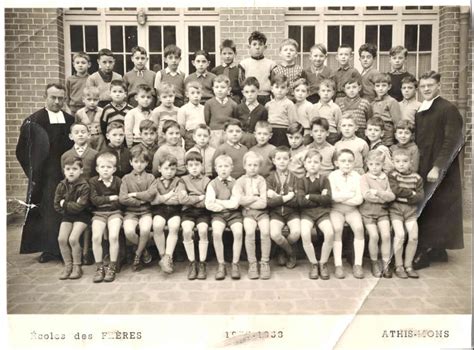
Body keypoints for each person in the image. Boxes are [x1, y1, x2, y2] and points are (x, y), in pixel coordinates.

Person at [16, 83, 75, 262]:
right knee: (48, 211)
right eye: (53, 97)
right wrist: (34, 174)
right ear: (45, 97)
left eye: (61, 98)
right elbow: (21, 152)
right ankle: (49, 250)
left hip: (67, 172)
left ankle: (69, 248)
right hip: (46, 174)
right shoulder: (33, 120)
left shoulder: (70, 120)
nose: (57, 102)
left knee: (67, 209)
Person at [414, 70, 464, 269]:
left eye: (430, 85)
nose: (426, 89)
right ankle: (437, 250)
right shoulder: (422, 109)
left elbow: (452, 141)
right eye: (423, 86)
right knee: (429, 207)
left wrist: (437, 167)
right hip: (424, 164)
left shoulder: (447, 109)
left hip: (440, 168)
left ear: (438, 86)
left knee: (436, 208)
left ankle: (426, 252)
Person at [297, 149, 334, 280]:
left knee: (329, 233)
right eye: (309, 162)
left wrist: (310, 196)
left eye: (316, 162)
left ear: (320, 164)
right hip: (306, 214)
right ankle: (313, 263)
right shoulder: (301, 181)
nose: (312, 164)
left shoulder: (324, 180)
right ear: (305, 164)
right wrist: (319, 198)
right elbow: (301, 201)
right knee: (305, 233)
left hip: (322, 213)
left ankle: (323, 263)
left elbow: (328, 199)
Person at [233, 152, 270, 280]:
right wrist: (255, 198)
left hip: (262, 213)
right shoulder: (240, 181)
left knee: (265, 232)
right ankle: (252, 263)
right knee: (249, 232)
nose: (252, 167)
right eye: (250, 165)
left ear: (259, 167)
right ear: (244, 166)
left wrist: (248, 202)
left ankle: (264, 262)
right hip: (248, 214)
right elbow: (239, 200)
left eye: (255, 165)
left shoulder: (261, 180)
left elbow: (264, 203)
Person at [205, 155, 243, 280]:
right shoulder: (212, 184)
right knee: (216, 233)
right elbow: (209, 204)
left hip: (234, 214)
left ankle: (235, 263)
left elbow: (235, 204)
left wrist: (218, 201)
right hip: (218, 214)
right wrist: (222, 206)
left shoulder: (236, 183)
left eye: (226, 166)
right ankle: (221, 264)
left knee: (238, 232)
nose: (223, 169)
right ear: (216, 168)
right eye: (220, 166)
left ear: (231, 168)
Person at [328, 149, 364, 279]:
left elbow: (359, 199)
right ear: (336, 163)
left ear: (354, 163)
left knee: (359, 228)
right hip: (336, 210)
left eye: (350, 161)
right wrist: (349, 194)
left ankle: (358, 264)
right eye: (343, 161)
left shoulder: (357, 177)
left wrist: (342, 196)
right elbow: (332, 197)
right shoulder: (333, 176)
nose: (347, 164)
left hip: (352, 210)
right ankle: (338, 265)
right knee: (337, 229)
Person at [119, 145, 156, 271]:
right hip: (131, 212)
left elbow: (151, 195)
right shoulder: (126, 178)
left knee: (145, 230)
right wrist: (140, 202)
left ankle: (137, 255)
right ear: (130, 162)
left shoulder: (150, 178)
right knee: (129, 232)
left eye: (142, 162)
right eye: (136, 162)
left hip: (146, 212)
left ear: (147, 163)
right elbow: (123, 198)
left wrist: (134, 195)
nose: (139, 165)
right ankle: (144, 249)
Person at [388, 149, 424, 278]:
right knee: (400, 234)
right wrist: (410, 193)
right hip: (396, 210)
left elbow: (420, 196)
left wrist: (411, 197)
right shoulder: (392, 175)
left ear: (411, 162)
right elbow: (395, 190)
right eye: (397, 161)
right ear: (393, 162)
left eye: (404, 161)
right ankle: (399, 265)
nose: (401, 164)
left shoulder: (416, 177)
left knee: (413, 236)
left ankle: (408, 265)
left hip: (411, 211)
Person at [54, 156, 91, 280]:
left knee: (73, 239)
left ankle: (77, 266)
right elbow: (56, 205)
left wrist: (64, 204)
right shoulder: (61, 185)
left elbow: (80, 207)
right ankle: (68, 265)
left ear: (81, 170)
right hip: (68, 216)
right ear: (64, 170)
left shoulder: (84, 186)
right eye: (68, 169)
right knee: (61, 239)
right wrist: (69, 206)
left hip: (82, 216)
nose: (71, 172)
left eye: (74, 169)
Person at [360, 150, 395, 278]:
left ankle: (385, 262)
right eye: (371, 164)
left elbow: (391, 196)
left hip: (382, 212)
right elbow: (367, 196)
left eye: (378, 164)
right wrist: (383, 196)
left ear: (382, 164)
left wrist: (377, 192)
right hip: (368, 212)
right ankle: (374, 262)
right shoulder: (364, 178)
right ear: (367, 164)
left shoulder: (385, 177)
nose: (374, 167)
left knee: (386, 235)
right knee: (374, 236)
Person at [89, 152, 123, 283]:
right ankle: (99, 267)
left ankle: (112, 267)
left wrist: (106, 201)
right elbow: (94, 200)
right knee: (96, 237)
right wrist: (109, 198)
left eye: (109, 167)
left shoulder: (118, 181)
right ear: (97, 169)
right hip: (99, 213)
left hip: (115, 212)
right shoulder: (93, 182)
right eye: (102, 167)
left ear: (114, 169)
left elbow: (120, 201)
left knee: (113, 236)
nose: (105, 170)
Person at [177, 152, 211, 280]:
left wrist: (191, 199)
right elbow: (182, 199)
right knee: (186, 231)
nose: (194, 168)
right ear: (186, 166)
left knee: (203, 231)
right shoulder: (183, 180)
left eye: (197, 164)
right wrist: (199, 197)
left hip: (203, 213)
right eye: (190, 165)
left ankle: (202, 263)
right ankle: (192, 262)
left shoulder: (207, 180)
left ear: (202, 166)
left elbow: (207, 201)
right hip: (187, 212)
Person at [267, 146, 300, 269]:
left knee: (296, 232)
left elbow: (297, 201)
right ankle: (291, 253)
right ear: (274, 160)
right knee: (275, 234)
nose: (282, 161)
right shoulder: (269, 178)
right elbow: (269, 203)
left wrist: (277, 198)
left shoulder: (295, 179)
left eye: (285, 158)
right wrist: (286, 198)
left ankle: (282, 250)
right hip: (276, 213)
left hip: (292, 212)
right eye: (279, 158)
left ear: (290, 160)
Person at [150, 154, 182, 274]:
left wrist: (162, 198)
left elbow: (178, 199)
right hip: (160, 210)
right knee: (157, 226)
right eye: (166, 168)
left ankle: (168, 257)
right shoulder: (155, 181)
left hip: (175, 210)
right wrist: (169, 196)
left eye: (172, 169)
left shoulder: (179, 181)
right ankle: (162, 255)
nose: (169, 172)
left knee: (174, 227)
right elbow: (154, 201)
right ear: (159, 169)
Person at [238, 31, 276, 105]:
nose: (257, 47)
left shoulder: (271, 64)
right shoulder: (244, 64)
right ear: (249, 47)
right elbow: (241, 83)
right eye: (254, 44)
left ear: (265, 47)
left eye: (260, 44)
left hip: (265, 97)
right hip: (249, 97)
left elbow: (274, 83)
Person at [204, 74, 238, 149]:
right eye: (216, 87)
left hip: (228, 134)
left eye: (223, 87)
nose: (219, 90)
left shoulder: (233, 104)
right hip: (214, 134)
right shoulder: (209, 103)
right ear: (213, 89)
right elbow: (207, 120)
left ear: (228, 90)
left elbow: (235, 119)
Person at [235, 77, 268, 149]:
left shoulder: (262, 110)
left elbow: (263, 126)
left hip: (255, 141)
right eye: (246, 92)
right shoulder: (238, 108)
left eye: (252, 91)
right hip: (241, 140)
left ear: (258, 91)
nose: (249, 94)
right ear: (243, 93)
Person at [266, 74, 298, 147]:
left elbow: (293, 122)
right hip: (270, 132)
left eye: (283, 87)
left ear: (287, 90)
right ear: (272, 89)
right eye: (277, 87)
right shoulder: (268, 105)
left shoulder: (289, 104)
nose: (279, 90)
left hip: (283, 132)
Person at [371, 73, 402, 147]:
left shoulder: (392, 102)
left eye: (384, 85)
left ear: (389, 87)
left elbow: (397, 123)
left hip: (387, 138)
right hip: (375, 136)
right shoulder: (373, 103)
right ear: (374, 87)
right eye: (377, 86)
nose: (380, 88)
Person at [311, 79, 342, 145]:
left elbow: (339, 124)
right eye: (323, 91)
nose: (326, 93)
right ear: (319, 92)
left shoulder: (335, 108)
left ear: (333, 93)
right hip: (318, 134)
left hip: (331, 135)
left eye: (328, 91)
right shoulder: (314, 107)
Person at [212, 39, 242, 104]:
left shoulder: (239, 70)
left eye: (230, 53)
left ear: (235, 54)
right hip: (219, 101)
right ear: (220, 54)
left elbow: (242, 88)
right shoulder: (215, 70)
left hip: (235, 101)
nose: (227, 56)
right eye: (224, 53)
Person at [177, 81, 205, 150]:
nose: (196, 96)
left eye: (198, 93)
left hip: (203, 136)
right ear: (187, 94)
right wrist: (187, 137)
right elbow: (181, 127)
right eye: (192, 93)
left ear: (202, 94)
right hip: (190, 137)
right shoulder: (183, 109)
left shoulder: (204, 108)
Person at [75, 86, 104, 151]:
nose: (92, 102)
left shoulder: (102, 112)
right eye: (89, 99)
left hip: (100, 139)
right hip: (86, 139)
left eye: (95, 100)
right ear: (83, 99)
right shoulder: (79, 113)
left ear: (99, 99)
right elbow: (76, 127)